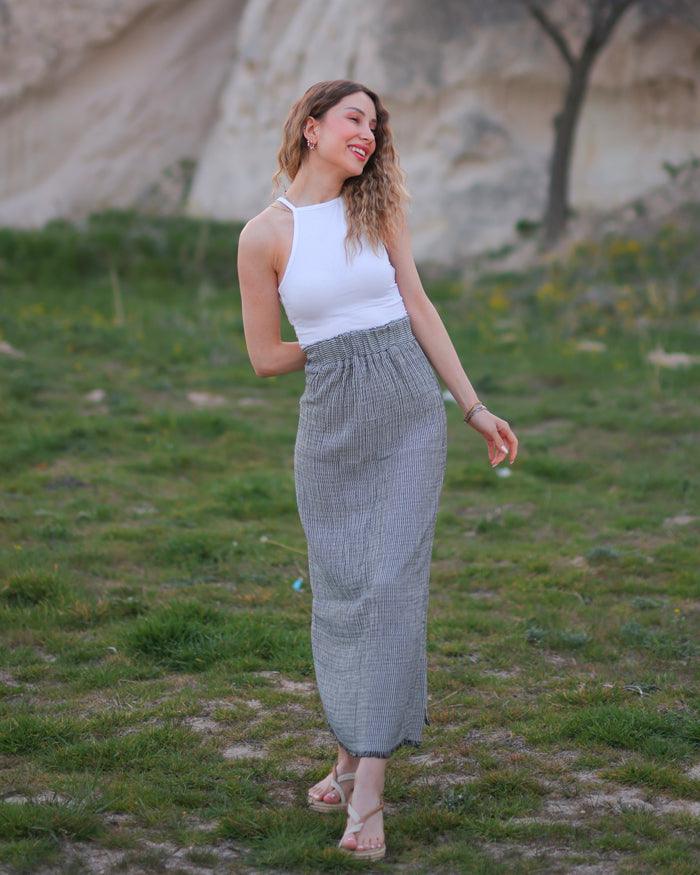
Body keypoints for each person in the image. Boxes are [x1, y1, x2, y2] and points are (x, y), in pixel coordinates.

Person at [237, 79, 518, 861]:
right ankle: (347, 748)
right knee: (343, 592)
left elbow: (419, 305)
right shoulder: (263, 236)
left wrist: (473, 407)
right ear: (312, 125)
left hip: (407, 412)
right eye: (355, 118)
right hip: (330, 420)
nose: (369, 132)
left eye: (376, 123)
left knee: (391, 585)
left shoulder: (376, 209)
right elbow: (264, 356)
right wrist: (335, 343)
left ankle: (369, 795)